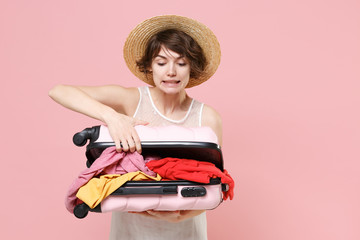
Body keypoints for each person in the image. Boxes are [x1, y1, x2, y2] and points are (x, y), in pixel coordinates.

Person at [49, 15, 222, 240]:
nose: (171, 71)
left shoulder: (207, 117)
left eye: (181, 63)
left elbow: (215, 183)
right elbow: (59, 91)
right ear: (150, 66)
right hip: (130, 230)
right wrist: (113, 117)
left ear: (192, 68)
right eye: (161, 63)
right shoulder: (132, 100)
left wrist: (179, 215)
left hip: (186, 230)